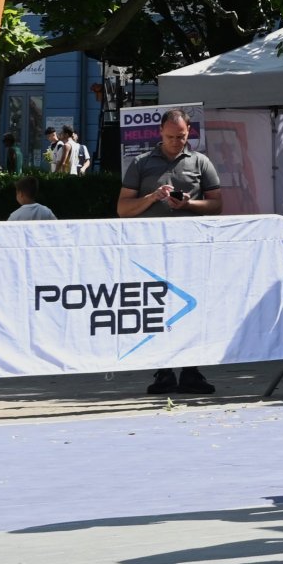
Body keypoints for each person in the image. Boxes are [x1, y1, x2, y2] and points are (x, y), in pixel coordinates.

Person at [118, 108, 223, 395]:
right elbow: (123, 209)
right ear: (160, 133)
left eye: (182, 136)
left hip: (191, 248)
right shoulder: (140, 163)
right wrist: (152, 197)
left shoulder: (201, 162)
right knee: (157, 309)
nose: (177, 141)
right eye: (171, 137)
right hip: (152, 249)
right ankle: (162, 370)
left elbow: (217, 205)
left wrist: (189, 204)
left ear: (190, 133)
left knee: (192, 307)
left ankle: (191, 370)